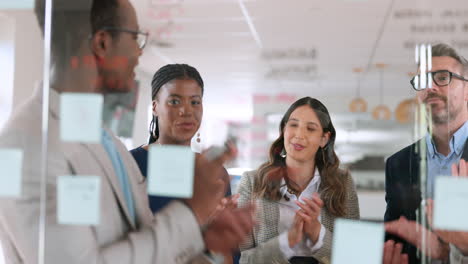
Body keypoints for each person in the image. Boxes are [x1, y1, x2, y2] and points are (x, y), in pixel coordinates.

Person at [0, 0, 254, 263]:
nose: (139, 52)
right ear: (102, 43)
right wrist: (191, 214)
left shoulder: (105, 141)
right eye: (135, 38)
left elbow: (143, 244)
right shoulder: (26, 146)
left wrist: (207, 240)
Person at [130, 64, 237, 264]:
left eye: (195, 102)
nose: (186, 111)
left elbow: (225, 256)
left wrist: (221, 230)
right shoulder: (130, 164)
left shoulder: (213, 171)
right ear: (155, 107)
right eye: (174, 101)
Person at [237, 97, 360, 264]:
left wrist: (318, 233)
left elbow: (354, 257)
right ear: (283, 130)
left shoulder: (343, 183)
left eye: (310, 129)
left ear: (324, 138)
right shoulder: (252, 182)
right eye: (293, 125)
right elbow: (243, 260)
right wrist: (285, 243)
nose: (299, 135)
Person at [384, 43, 468, 263]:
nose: (430, 86)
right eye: (423, 80)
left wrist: (458, 246)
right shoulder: (398, 164)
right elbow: (394, 240)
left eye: (442, 77)